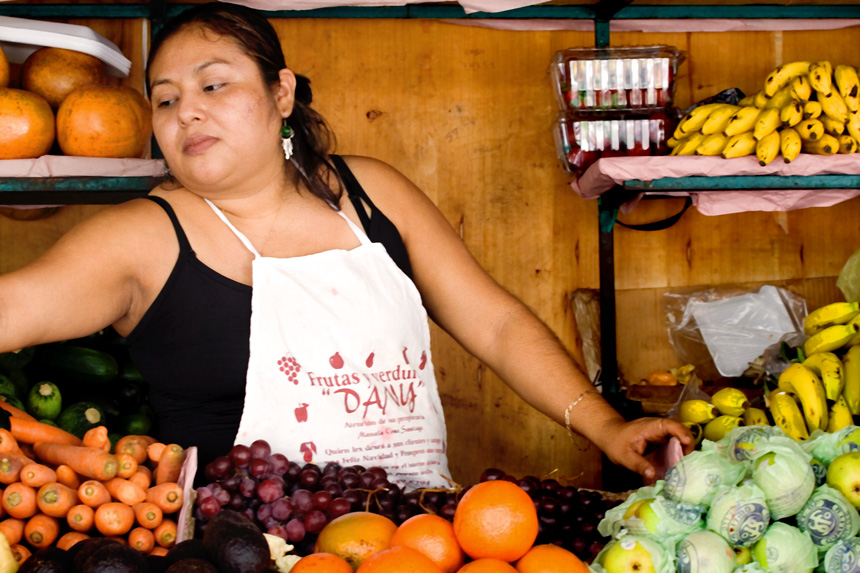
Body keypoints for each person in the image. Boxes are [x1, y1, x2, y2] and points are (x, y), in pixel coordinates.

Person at [0, 2, 691, 489]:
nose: (189, 112)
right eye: (166, 99)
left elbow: (498, 324)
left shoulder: (371, 194)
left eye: (213, 84)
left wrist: (605, 427)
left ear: (281, 93)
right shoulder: (140, 239)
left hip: (416, 536)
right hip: (247, 551)